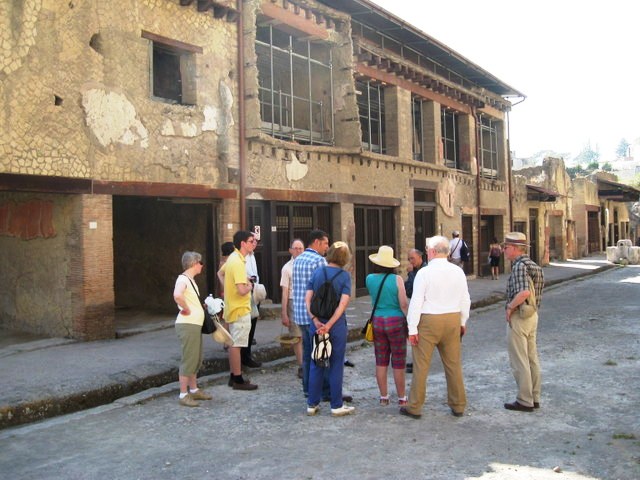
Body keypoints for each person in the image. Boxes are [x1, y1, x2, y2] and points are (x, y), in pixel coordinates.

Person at [400, 235, 471, 419]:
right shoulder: (458, 271)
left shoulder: (424, 273)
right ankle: (458, 404)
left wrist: (412, 328)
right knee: (453, 364)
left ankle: (415, 406)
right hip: (452, 318)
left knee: (421, 365)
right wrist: (463, 321)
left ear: (431, 252)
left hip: (429, 319)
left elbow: (416, 302)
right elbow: (465, 299)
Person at [305, 241, 354, 417]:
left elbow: (308, 298)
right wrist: (330, 324)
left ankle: (312, 403)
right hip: (336, 326)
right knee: (335, 364)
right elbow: (343, 304)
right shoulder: (344, 276)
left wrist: (315, 320)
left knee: (316, 363)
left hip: (317, 325)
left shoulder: (318, 272)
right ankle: (336, 405)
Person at [502, 232, 544, 412]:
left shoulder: (519, 267)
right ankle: (534, 397)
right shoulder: (533, 265)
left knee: (519, 360)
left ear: (514, 248)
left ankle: (524, 399)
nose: (504, 250)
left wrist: (510, 307)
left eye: (506, 247)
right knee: (531, 358)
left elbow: (524, 292)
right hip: (533, 315)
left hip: (520, 315)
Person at [366, 246, 409, 406]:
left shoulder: (369, 278)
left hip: (377, 320)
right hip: (396, 321)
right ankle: (402, 397)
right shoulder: (396, 280)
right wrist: (411, 322)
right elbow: (403, 304)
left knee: (381, 360)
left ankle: (383, 396)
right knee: (398, 361)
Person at [292, 229, 330, 398]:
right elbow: (324, 290)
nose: (327, 247)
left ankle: (307, 388)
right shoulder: (319, 260)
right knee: (320, 355)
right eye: (325, 243)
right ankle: (322, 390)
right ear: (316, 242)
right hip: (315, 315)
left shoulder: (297, 260)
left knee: (307, 354)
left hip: (300, 313)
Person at [172, 251, 213, 407]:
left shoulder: (190, 281)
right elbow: (177, 295)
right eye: (200, 263)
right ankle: (183, 394)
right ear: (194, 263)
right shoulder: (183, 279)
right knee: (189, 359)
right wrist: (187, 308)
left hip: (193, 324)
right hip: (188, 324)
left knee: (195, 358)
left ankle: (194, 390)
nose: (202, 266)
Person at [223, 230, 259, 390]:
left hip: (233, 307)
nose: (254, 243)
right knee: (237, 345)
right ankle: (237, 378)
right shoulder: (238, 261)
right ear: (243, 243)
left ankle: (234, 376)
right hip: (239, 309)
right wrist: (249, 285)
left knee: (234, 343)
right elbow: (241, 290)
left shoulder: (233, 258)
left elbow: (220, 273)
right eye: (251, 241)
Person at [280, 238, 305, 377]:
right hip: (293, 301)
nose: (298, 251)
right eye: (296, 248)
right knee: (297, 336)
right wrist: (283, 312)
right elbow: (285, 291)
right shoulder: (287, 268)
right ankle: (301, 365)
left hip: (306, 302)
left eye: (301, 248)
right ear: (290, 250)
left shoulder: (308, 265)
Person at [404, 248, 427, 374]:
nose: (410, 261)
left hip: (424, 309)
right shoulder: (415, 271)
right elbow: (408, 290)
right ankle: (416, 362)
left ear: (419, 257)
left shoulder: (424, 271)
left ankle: (419, 364)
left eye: (412, 258)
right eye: (409, 259)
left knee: (422, 339)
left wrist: (411, 274)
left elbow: (414, 290)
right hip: (416, 308)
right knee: (416, 338)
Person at [242, 233, 262, 368]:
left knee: (252, 326)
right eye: (252, 241)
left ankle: (247, 355)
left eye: (255, 241)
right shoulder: (241, 257)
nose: (254, 243)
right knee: (245, 328)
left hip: (254, 293)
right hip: (246, 294)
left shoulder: (252, 255)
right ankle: (244, 357)